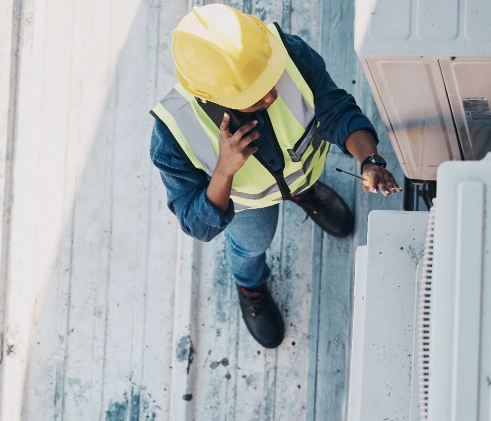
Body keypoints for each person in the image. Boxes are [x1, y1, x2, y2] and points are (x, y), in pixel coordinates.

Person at [149, 4, 402, 349]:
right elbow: (198, 224)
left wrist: (369, 160)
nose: (271, 95)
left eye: (269, 80)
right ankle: (250, 284)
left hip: (302, 173)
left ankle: (301, 193)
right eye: (252, 96)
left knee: (302, 179)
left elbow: (335, 110)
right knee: (252, 244)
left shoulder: (287, 53)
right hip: (247, 207)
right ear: (211, 97)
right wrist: (225, 169)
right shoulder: (174, 131)